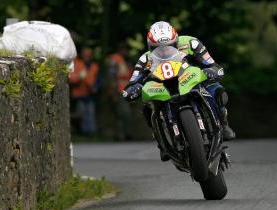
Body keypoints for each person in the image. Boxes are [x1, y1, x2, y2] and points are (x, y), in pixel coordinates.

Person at [123, 21, 236, 159]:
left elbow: (212, 64)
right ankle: (162, 143)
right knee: (148, 107)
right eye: (157, 48)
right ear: (150, 47)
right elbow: (132, 82)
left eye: (169, 46)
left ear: (176, 41)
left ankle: (223, 124)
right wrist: (133, 88)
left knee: (218, 91)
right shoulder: (145, 59)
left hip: (189, 78)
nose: (164, 51)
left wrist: (212, 71)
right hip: (162, 86)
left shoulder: (191, 43)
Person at [69, 47, 99, 135]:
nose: (87, 56)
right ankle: (83, 132)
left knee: (91, 114)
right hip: (79, 94)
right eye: (85, 54)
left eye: (88, 55)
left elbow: (98, 79)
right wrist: (78, 78)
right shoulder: (77, 63)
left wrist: (96, 88)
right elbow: (72, 79)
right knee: (81, 114)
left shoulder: (94, 66)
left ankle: (91, 133)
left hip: (90, 94)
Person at [107, 43, 133, 140]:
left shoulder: (126, 61)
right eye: (125, 50)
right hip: (118, 90)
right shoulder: (115, 59)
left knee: (123, 113)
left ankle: (124, 134)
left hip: (126, 90)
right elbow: (111, 76)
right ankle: (122, 135)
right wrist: (113, 91)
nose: (126, 52)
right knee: (122, 113)